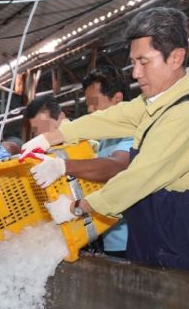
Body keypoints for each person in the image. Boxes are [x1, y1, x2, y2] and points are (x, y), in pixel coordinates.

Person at [21, 7, 189, 276]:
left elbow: (136, 179)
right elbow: (111, 118)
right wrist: (51, 137)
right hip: (155, 248)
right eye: (133, 62)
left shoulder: (188, 116)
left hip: (185, 258)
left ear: (176, 57)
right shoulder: (157, 104)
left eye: (144, 62)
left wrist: (77, 208)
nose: (135, 73)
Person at [24, 67, 134, 258]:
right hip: (106, 237)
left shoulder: (133, 133)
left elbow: (115, 166)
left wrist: (63, 167)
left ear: (117, 99)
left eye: (94, 102)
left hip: (129, 240)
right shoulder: (106, 138)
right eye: (87, 102)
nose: (90, 108)